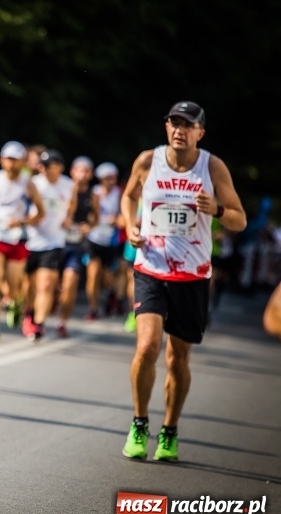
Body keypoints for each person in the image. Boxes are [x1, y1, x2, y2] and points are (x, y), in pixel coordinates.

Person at [120, 101, 246, 462]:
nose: (179, 130)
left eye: (187, 125)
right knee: (146, 346)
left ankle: (169, 431)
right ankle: (140, 423)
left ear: (199, 133)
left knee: (177, 359)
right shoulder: (148, 161)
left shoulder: (212, 166)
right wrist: (130, 224)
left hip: (192, 276)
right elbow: (129, 196)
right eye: (174, 123)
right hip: (150, 267)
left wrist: (218, 210)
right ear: (166, 128)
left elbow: (239, 219)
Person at [0, 141, 44, 345]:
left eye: (15, 160)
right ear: (2, 159)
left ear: (22, 161)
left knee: (13, 285)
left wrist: (23, 221)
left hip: (18, 238)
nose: (11, 163)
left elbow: (41, 213)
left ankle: (15, 301)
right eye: (8, 159)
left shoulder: (28, 184)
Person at [21, 149, 75, 341]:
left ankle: (38, 323)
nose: (42, 169)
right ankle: (29, 312)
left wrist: (68, 217)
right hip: (31, 240)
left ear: (59, 167)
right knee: (28, 286)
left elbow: (72, 204)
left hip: (54, 241)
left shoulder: (68, 185)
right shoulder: (34, 183)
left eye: (47, 165)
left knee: (46, 284)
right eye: (41, 165)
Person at [56, 156, 97, 338]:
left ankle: (62, 322)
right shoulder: (61, 188)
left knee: (70, 283)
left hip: (77, 244)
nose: (82, 174)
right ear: (72, 172)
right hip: (55, 242)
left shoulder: (92, 196)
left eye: (86, 171)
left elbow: (96, 217)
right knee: (49, 284)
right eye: (79, 170)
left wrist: (89, 226)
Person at [85, 161, 122, 319]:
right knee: (93, 274)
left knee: (108, 276)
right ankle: (93, 308)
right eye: (107, 178)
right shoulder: (94, 192)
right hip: (94, 238)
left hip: (111, 240)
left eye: (113, 178)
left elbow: (124, 216)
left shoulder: (119, 194)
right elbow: (88, 215)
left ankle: (112, 293)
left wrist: (118, 220)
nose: (110, 181)